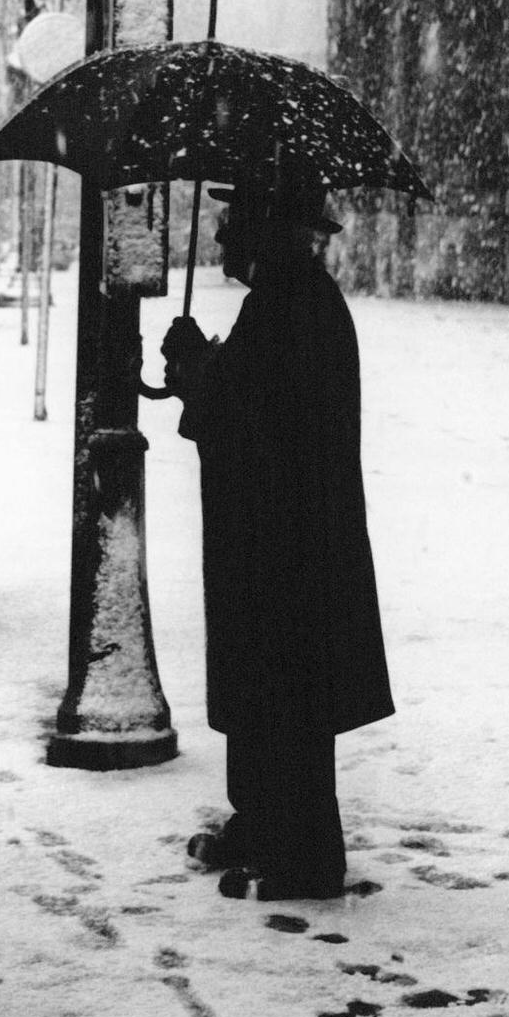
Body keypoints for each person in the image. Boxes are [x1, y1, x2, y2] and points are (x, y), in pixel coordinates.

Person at [161, 167, 393, 902]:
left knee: (288, 697)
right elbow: (248, 403)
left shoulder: (292, 304)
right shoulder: (287, 300)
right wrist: (206, 369)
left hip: (288, 548)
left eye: (235, 219)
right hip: (276, 541)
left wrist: (200, 372)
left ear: (267, 227)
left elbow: (253, 421)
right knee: (263, 688)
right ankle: (261, 820)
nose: (222, 233)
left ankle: (306, 857)